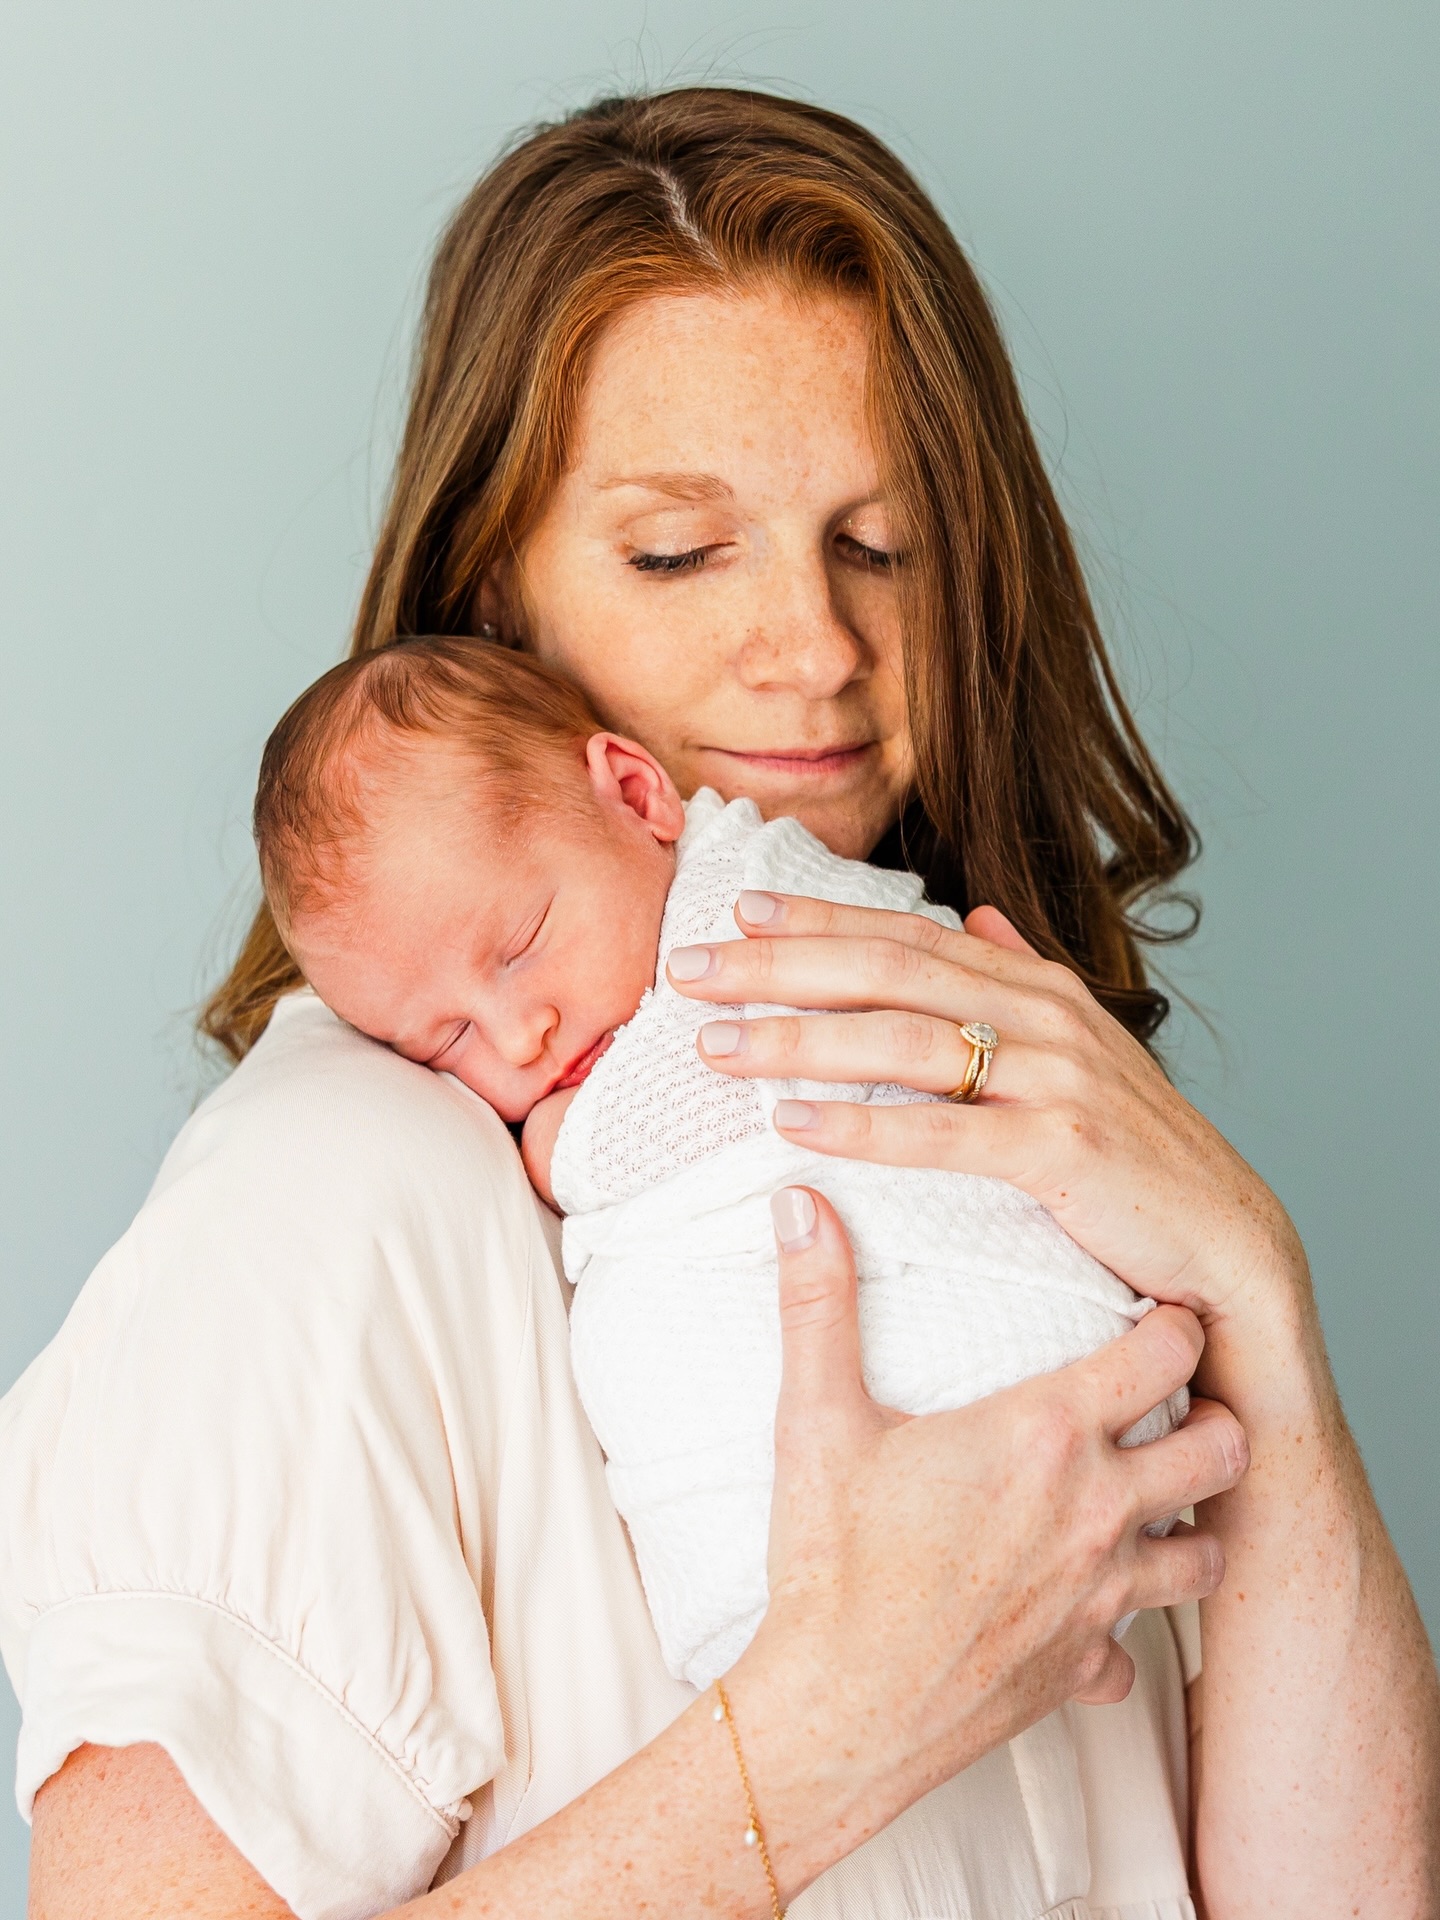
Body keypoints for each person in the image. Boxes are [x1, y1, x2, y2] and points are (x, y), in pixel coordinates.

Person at [4, 87, 1436, 1920]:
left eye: (885, 544)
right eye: (679, 553)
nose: (818, 649)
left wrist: (1258, 1297)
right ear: (490, 613)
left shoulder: (1008, 1151)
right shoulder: (338, 1200)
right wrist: (832, 1724)